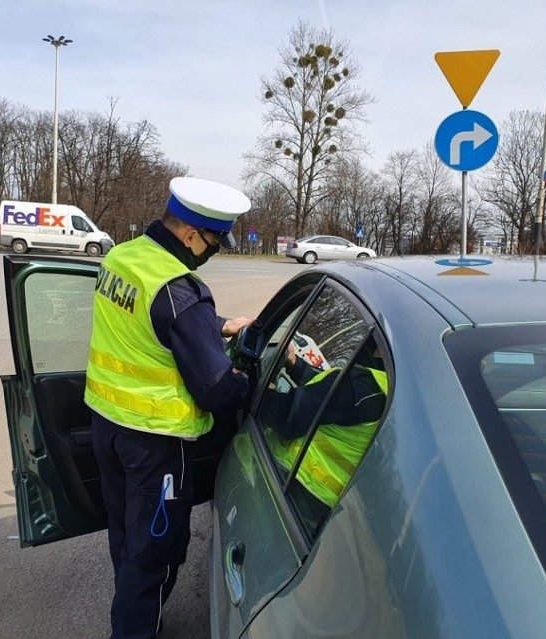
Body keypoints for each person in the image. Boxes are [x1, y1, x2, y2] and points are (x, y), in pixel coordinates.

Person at [84, 176, 253, 639]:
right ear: (191, 234)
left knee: (124, 533)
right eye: (216, 240)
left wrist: (215, 326)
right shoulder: (182, 291)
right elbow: (217, 390)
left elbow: (151, 322)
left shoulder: (123, 256)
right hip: (155, 442)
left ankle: (131, 609)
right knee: (153, 554)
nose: (216, 249)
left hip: (107, 424)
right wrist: (253, 383)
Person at [264, 341, 388, 515]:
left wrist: (261, 389)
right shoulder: (386, 393)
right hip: (322, 503)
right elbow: (329, 393)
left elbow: (288, 416)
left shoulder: (365, 387)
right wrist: (296, 364)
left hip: (292, 481)